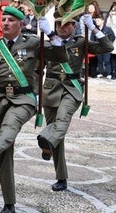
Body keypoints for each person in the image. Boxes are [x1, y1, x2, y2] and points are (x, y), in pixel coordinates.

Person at [0, 6, 67, 213]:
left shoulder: (33, 42)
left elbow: (61, 57)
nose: (5, 23)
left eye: (10, 20)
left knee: (11, 127)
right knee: (4, 154)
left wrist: (51, 34)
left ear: (21, 24)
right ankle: (9, 202)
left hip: (23, 100)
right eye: (3, 19)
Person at [37, 13, 113, 192]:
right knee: (58, 135)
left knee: (61, 121)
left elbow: (107, 47)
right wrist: (36, 93)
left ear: (74, 26)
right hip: (51, 89)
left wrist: (93, 28)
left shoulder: (80, 41)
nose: (62, 27)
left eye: (66, 24)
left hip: (72, 89)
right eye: (58, 25)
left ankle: (46, 139)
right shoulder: (47, 43)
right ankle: (61, 176)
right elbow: (37, 69)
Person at [105, 2, 116, 79]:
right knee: (112, 56)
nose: (113, 9)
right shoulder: (110, 15)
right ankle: (112, 72)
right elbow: (108, 25)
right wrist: (110, 17)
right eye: (113, 8)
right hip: (112, 37)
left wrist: (113, 18)